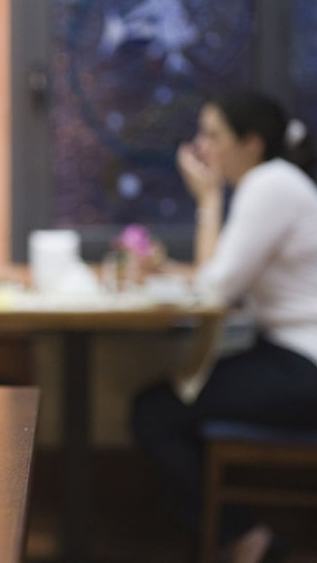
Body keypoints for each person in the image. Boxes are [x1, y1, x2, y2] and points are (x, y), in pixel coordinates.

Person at [131, 91, 317, 563]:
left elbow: (212, 292)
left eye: (213, 135)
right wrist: (167, 269)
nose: (202, 148)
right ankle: (233, 536)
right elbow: (218, 278)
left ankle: (247, 541)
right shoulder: (275, 183)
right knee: (165, 409)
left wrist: (208, 199)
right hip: (290, 357)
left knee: (154, 413)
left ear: (251, 143)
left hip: (304, 367)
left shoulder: (269, 185)